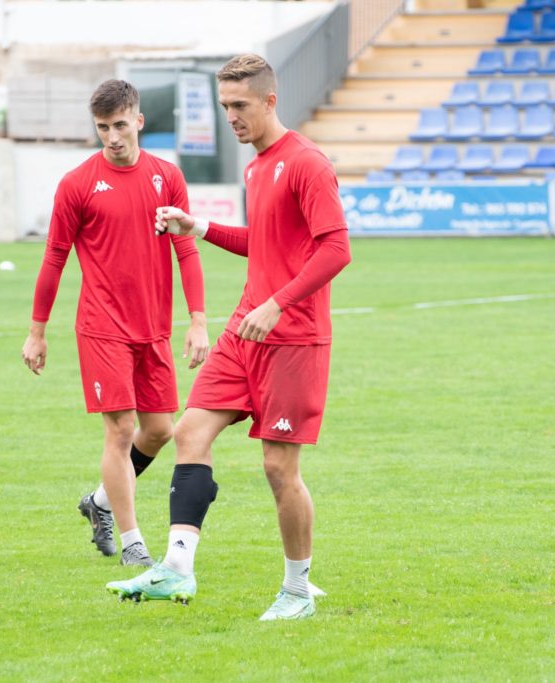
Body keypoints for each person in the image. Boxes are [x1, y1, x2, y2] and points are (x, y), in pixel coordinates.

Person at [106, 54, 351, 620]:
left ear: (270, 101)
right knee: (190, 432)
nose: (231, 118)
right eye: (224, 108)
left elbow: (336, 249)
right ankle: (177, 568)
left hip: (293, 337)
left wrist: (278, 302)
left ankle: (297, 590)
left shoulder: (307, 163)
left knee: (277, 467)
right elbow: (265, 245)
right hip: (247, 330)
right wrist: (201, 228)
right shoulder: (257, 167)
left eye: (240, 106)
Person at [21, 80, 209, 566]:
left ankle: (99, 503)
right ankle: (133, 545)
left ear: (139, 121)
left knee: (161, 430)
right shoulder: (78, 184)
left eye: (121, 125)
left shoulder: (167, 177)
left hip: (153, 328)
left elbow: (186, 248)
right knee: (121, 429)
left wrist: (198, 321)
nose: (112, 137)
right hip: (102, 326)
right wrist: (37, 331)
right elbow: (54, 260)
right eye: (103, 128)